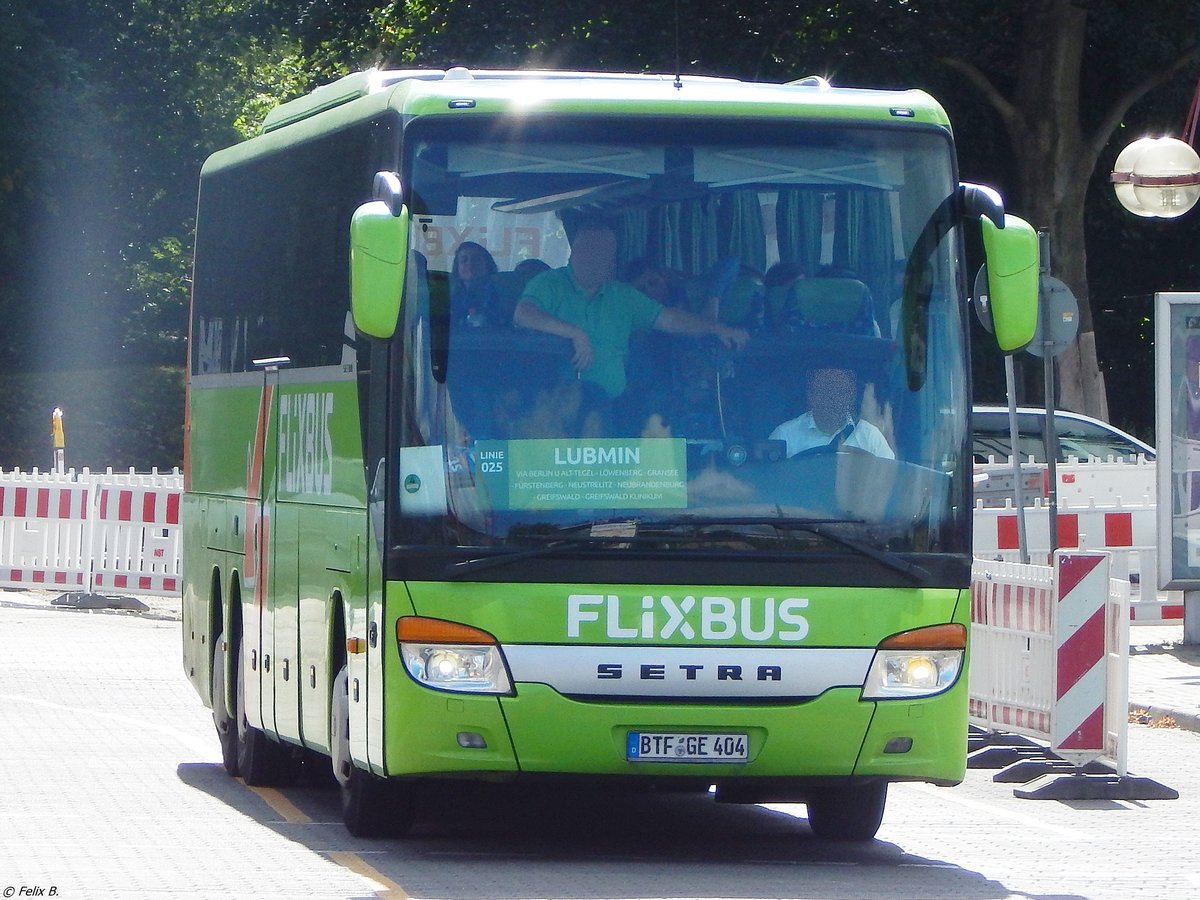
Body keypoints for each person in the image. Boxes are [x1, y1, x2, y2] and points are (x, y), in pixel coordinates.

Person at [513, 217, 750, 399]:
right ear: (576, 252)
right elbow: (523, 314)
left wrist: (718, 329)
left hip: (609, 407)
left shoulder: (622, 296)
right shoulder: (549, 283)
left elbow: (671, 320)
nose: (599, 260)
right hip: (555, 409)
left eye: (605, 254)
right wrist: (575, 333)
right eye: (590, 252)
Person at [769, 366, 894, 459]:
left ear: (850, 397)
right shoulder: (785, 436)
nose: (834, 399)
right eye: (827, 392)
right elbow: (769, 485)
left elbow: (890, 481)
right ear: (812, 396)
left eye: (841, 392)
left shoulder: (871, 437)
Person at [450, 241, 499, 326]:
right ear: (457, 268)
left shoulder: (502, 297)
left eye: (477, 260)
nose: (470, 263)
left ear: (488, 266)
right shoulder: (447, 300)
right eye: (464, 260)